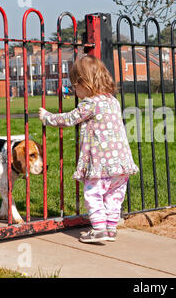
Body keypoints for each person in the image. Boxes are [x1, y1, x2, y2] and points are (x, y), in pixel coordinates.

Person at [39, 55, 139, 243]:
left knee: (93, 193)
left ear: (86, 83)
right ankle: (110, 228)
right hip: (121, 162)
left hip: (100, 162)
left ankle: (99, 229)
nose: (74, 89)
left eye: (76, 85)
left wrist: (47, 118)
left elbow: (69, 119)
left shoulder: (90, 103)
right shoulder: (112, 101)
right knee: (114, 195)